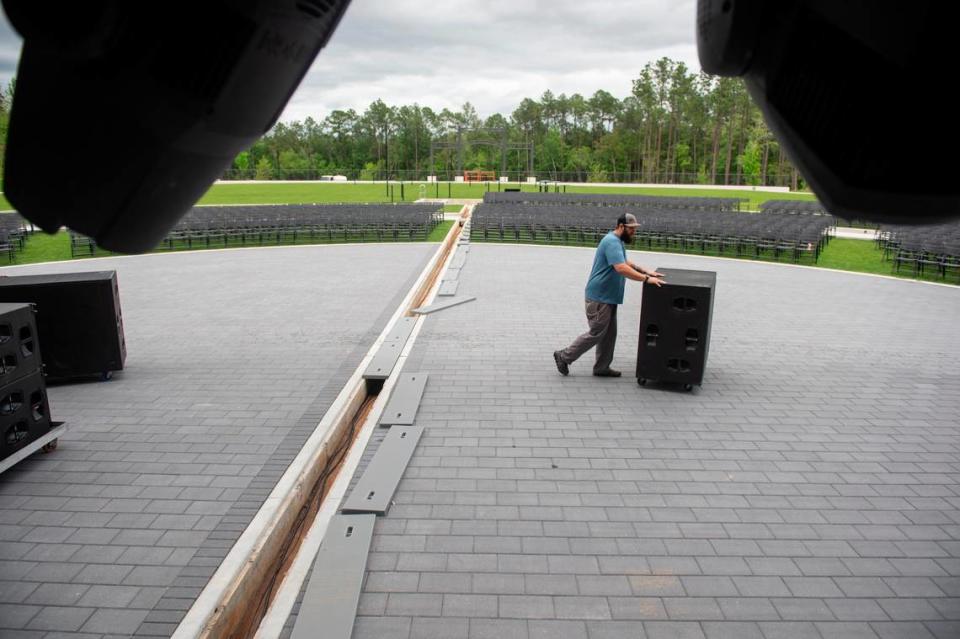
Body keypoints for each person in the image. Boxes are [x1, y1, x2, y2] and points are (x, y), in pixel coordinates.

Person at [554, 213, 664, 377]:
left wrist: (645, 270)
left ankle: (601, 367)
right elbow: (621, 268)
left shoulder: (617, 241)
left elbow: (626, 262)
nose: (634, 232)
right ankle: (564, 356)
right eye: (631, 229)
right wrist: (646, 279)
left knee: (609, 335)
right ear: (621, 227)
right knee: (597, 333)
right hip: (599, 298)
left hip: (608, 297)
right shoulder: (611, 241)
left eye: (635, 229)